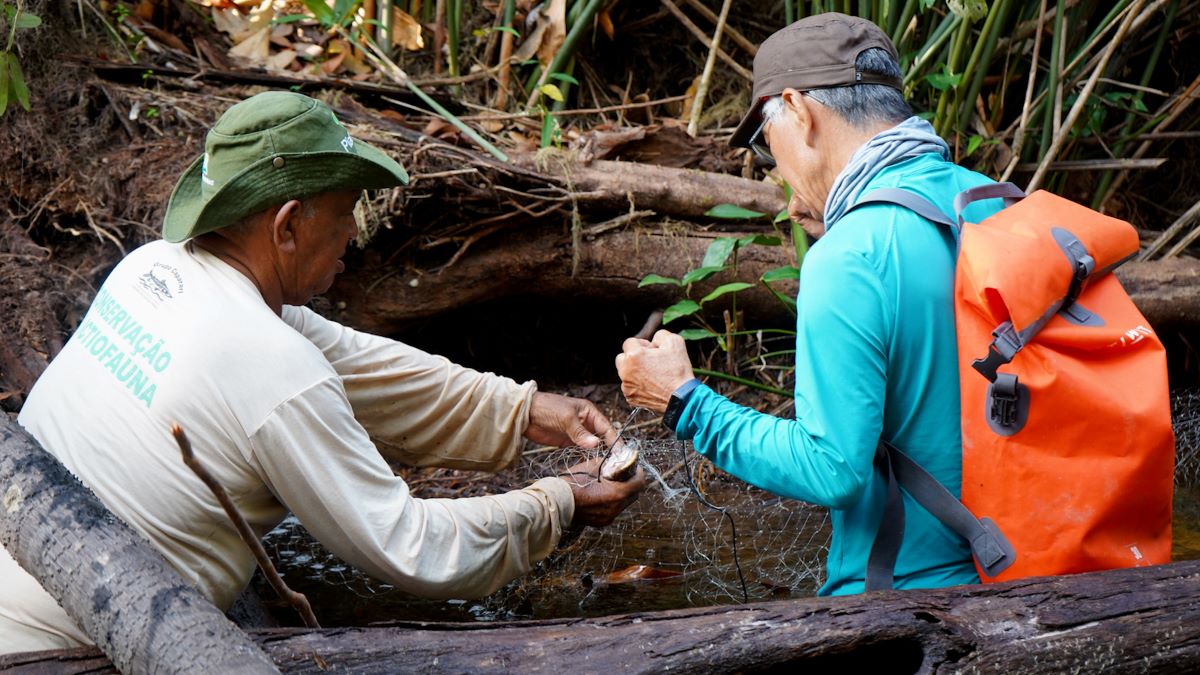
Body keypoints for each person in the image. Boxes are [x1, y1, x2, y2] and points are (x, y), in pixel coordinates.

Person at [0, 91, 644, 652]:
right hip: (62, 650)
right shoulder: (270, 366)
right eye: (347, 215)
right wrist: (559, 503)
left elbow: (363, 367)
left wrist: (523, 411)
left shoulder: (154, 268)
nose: (354, 237)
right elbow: (410, 548)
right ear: (287, 226)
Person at [616, 13, 1008, 596]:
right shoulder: (997, 203)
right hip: (1034, 566)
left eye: (766, 144)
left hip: (913, 605)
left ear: (798, 109)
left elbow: (833, 471)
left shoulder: (850, 256)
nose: (777, 172)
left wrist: (683, 402)